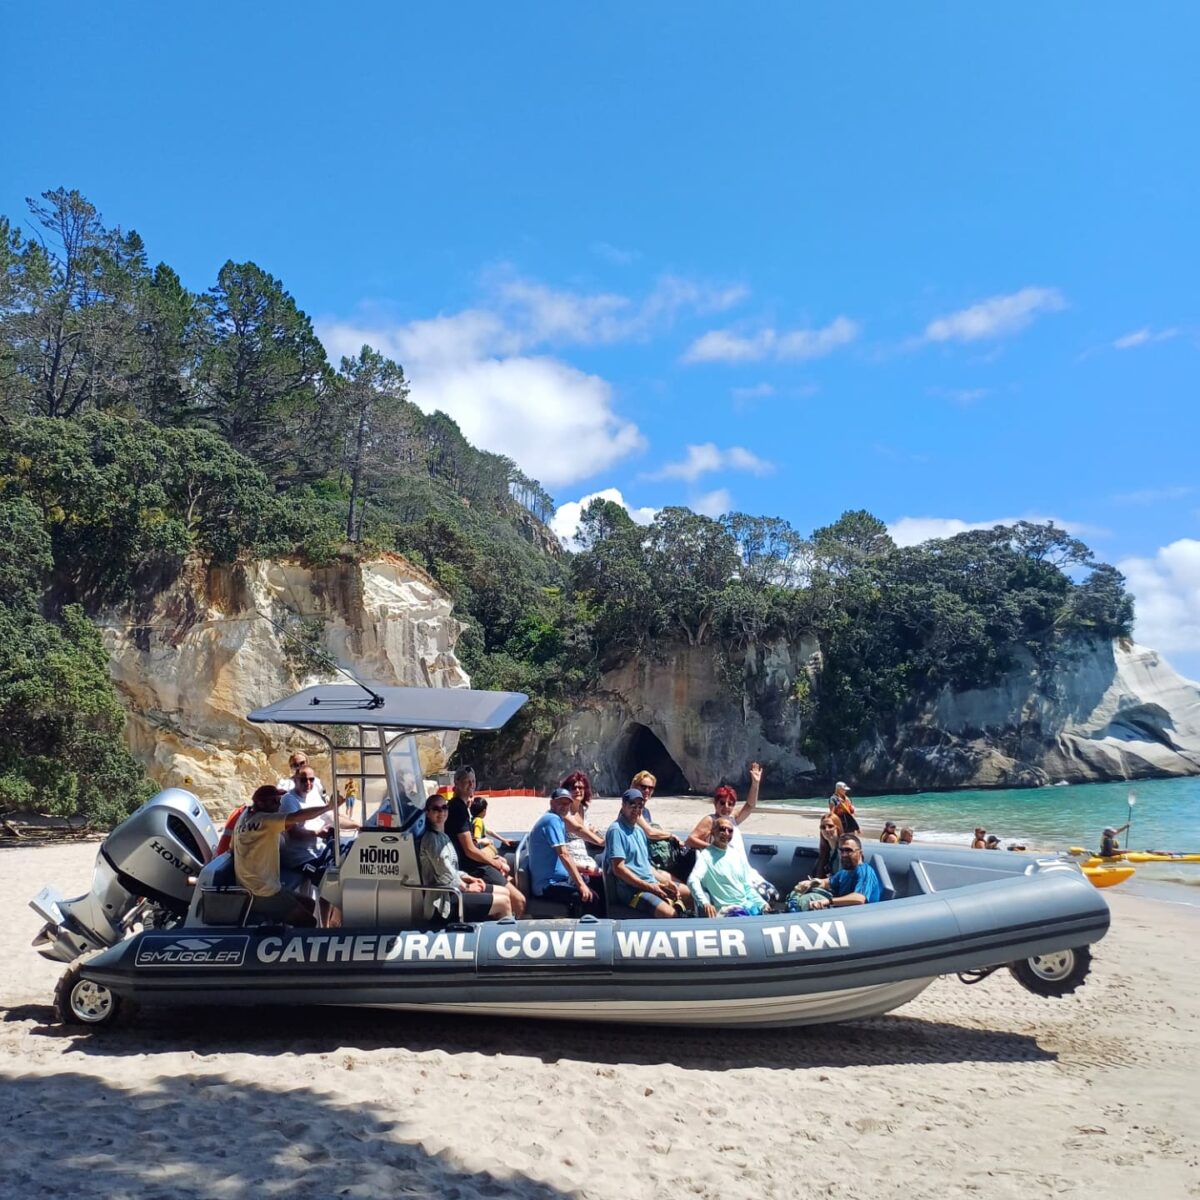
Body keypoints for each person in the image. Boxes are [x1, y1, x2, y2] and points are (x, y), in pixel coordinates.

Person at [232, 784, 332, 925]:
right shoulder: (265, 820)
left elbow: (231, 849)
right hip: (262, 892)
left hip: (251, 887)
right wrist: (328, 807)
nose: (279, 805)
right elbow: (296, 817)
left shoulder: (243, 819)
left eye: (279, 800)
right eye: (274, 801)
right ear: (260, 803)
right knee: (309, 922)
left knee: (308, 903)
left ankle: (288, 931)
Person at [444, 765, 526, 917]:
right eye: (467, 781)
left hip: (474, 864)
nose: (471, 785)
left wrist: (494, 859)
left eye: (473, 781)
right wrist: (494, 863)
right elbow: (469, 850)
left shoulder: (462, 807)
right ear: (457, 783)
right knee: (519, 900)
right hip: (473, 868)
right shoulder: (457, 809)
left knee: (511, 879)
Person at [418, 793, 512, 922]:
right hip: (444, 900)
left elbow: (451, 870)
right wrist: (467, 887)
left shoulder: (442, 836)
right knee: (504, 902)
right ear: (427, 813)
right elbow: (444, 874)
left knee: (505, 892)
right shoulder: (431, 840)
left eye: (444, 807)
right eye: (436, 809)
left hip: (454, 888)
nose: (441, 812)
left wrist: (468, 877)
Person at [685, 763, 772, 899]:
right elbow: (690, 840)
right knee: (758, 897)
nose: (726, 807)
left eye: (730, 804)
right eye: (722, 803)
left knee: (771, 894)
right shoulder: (710, 820)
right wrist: (715, 849)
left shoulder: (733, 819)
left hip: (742, 870)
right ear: (715, 804)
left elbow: (750, 805)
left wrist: (755, 783)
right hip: (724, 872)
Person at [605, 789, 692, 918]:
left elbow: (647, 866)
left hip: (651, 883)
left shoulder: (639, 831)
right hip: (632, 891)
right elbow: (618, 869)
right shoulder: (616, 831)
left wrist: (667, 882)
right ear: (623, 805)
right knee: (670, 914)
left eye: (640, 806)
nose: (636, 809)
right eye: (632, 805)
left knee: (690, 894)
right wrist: (650, 887)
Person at [528, 789, 601, 916]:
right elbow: (564, 855)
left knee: (595, 881)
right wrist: (581, 885)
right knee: (590, 898)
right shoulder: (552, 820)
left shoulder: (558, 820)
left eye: (567, 803)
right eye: (560, 803)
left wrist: (583, 870)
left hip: (560, 879)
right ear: (552, 803)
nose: (564, 806)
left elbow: (561, 856)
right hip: (547, 885)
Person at [689, 817, 765, 917]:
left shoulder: (736, 855)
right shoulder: (706, 856)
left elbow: (747, 887)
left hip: (747, 906)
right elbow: (692, 880)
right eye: (722, 829)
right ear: (713, 832)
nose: (726, 833)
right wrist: (704, 902)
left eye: (730, 830)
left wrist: (763, 904)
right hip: (727, 910)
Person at [280, 763, 334, 885]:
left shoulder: (313, 795)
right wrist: (317, 833)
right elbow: (294, 833)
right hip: (299, 857)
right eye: (303, 780)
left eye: (311, 779)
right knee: (327, 881)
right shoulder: (289, 800)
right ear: (295, 780)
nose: (308, 783)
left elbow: (330, 816)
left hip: (318, 851)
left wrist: (358, 826)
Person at [804, 835, 882, 910]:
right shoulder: (844, 872)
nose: (844, 855)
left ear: (860, 853)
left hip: (860, 914)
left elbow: (860, 898)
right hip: (843, 911)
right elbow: (828, 882)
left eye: (848, 850)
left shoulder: (865, 871)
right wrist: (811, 883)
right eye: (841, 851)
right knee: (806, 898)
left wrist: (829, 901)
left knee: (810, 899)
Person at [785, 813, 843, 910]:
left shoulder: (843, 852)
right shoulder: (826, 852)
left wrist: (814, 883)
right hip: (825, 888)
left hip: (836, 893)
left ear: (838, 828)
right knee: (793, 895)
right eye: (823, 827)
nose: (826, 829)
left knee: (803, 901)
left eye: (830, 826)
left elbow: (841, 879)